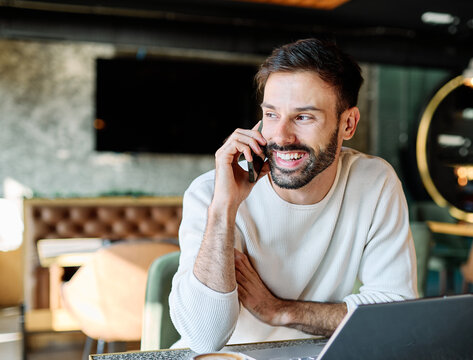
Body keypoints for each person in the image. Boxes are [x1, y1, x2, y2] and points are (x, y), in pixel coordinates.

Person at [169, 38, 417, 353]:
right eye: (271, 115)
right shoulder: (212, 192)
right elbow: (205, 338)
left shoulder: (374, 182)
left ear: (348, 124)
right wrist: (223, 210)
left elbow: (393, 314)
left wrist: (279, 310)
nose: (281, 137)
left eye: (303, 117)